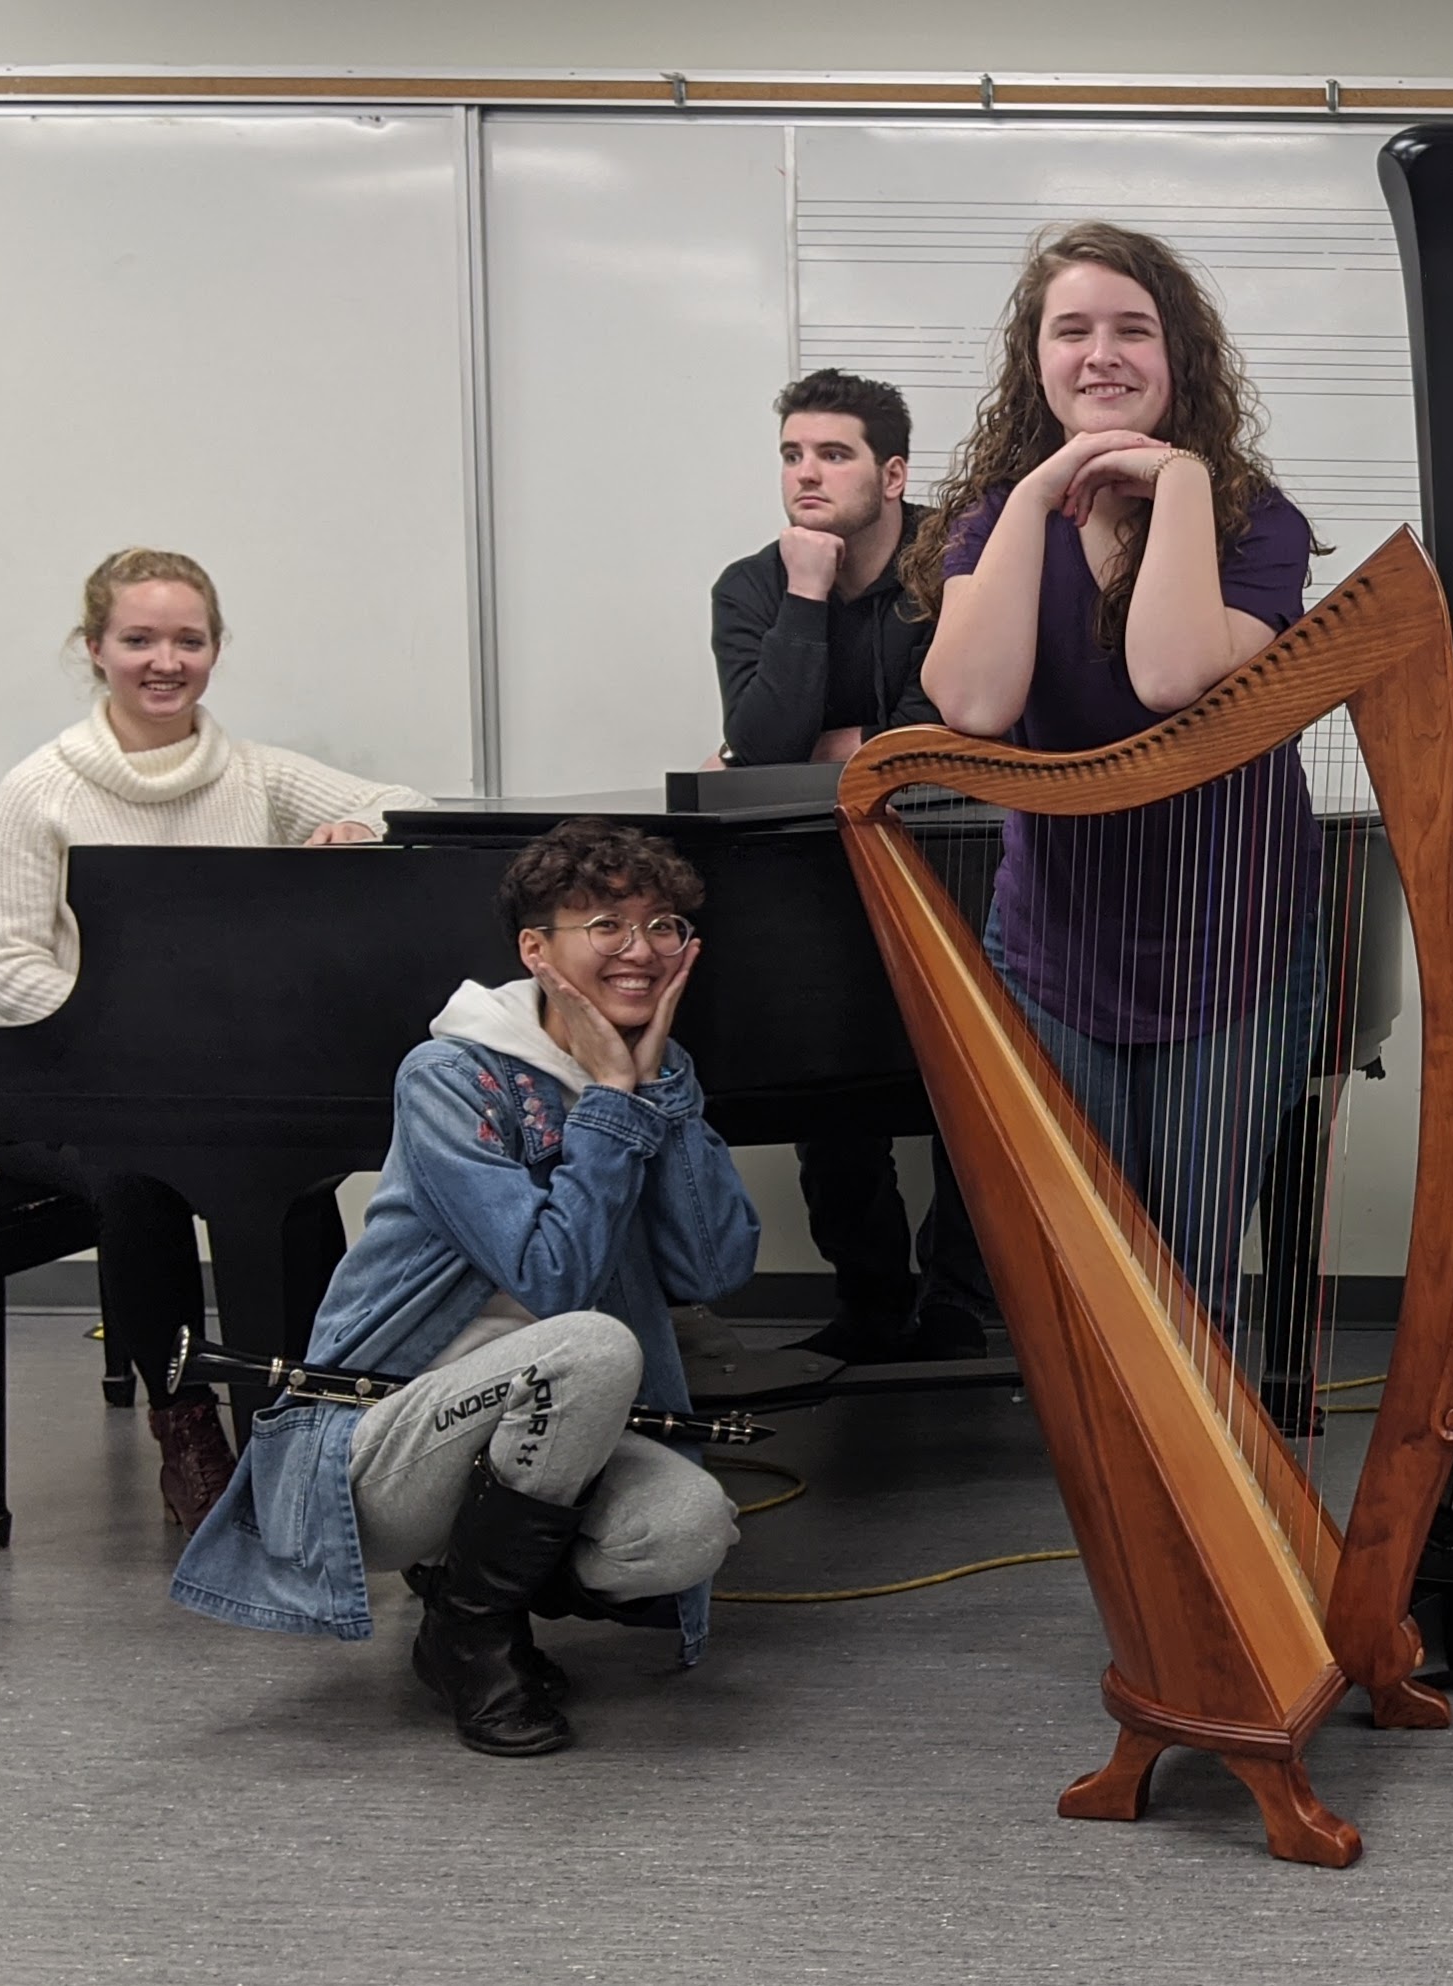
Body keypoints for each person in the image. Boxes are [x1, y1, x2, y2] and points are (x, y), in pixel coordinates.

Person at [171, 818, 759, 1755]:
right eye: (604, 925)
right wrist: (611, 1103)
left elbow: (714, 1269)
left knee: (684, 1531)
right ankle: (477, 1639)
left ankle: (464, 1598)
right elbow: (552, 1279)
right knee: (597, 1345)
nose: (640, 951)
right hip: (387, 1439)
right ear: (537, 948)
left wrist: (661, 1102)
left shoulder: (655, 1073)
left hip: (562, 1425)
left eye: (663, 927)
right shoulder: (448, 1076)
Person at [910, 222, 1325, 1363]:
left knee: (1193, 1277)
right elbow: (976, 705)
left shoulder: (1253, 520)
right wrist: (1043, 490)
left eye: (1132, 330)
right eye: (1072, 331)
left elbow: (1172, 675)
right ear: (1033, 361)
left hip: (1233, 931)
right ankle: (1127, 1535)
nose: (1102, 356)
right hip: (1055, 938)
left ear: (1176, 355)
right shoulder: (996, 525)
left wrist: (1181, 480)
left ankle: (1217, 1523)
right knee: (1088, 1273)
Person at [0, 547, 424, 1531]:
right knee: (145, 1173)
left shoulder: (254, 775)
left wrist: (357, 836)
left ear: (216, 649)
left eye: (188, 639)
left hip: (218, 1086)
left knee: (286, 1165)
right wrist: (124, 1031)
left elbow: (418, 813)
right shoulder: (37, 790)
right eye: (139, 639)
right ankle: (185, 1422)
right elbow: (6, 969)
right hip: (67, 1089)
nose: (164, 660)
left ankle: (305, 1409)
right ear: (94, 649)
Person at [709, 367, 995, 1365]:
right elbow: (765, 743)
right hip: (819, 880)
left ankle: (959, 1306)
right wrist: (807, 591)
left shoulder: (959, 561)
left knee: (975, 1092)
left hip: (966, 863)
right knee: (828, 1090)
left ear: (895, 470)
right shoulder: (755, 585)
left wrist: (836, 746)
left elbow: (948, 729)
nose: (806, 474)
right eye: (792, 454)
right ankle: (872, 1304)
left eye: (833, 454)